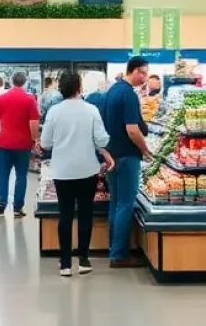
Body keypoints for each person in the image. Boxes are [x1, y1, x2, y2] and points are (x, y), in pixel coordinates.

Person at [40, 71, 114, 277]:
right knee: (85, 214)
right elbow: (102, 140)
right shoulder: (91, 110)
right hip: (87, 170)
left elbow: (45, 143)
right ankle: (83, 259)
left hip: (62, 171)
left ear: (61, 88)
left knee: (65, 215)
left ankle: (65, 263)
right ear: (79, 87)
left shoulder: (54, 112)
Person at [101, 55, 150, 268]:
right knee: (125, 204)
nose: (146, 77)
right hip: (127, 156)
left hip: (112, 155)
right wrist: (145, 149)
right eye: (144, 72)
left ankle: (114, 248)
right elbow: (132, 130)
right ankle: (119, 255)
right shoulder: (129, 95)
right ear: (135, 71)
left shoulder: (112, 90)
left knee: (116, 203)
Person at [0, 70, 39, 218]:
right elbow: (34, 123)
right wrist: (34, 140)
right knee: (21, 176)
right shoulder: (30, 99)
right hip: (23, 145)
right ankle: (18, 207)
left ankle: (2, 204)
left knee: (3, 174)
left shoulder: (2, 98)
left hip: (4, 144)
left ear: (11, 82)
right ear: (25, 82)